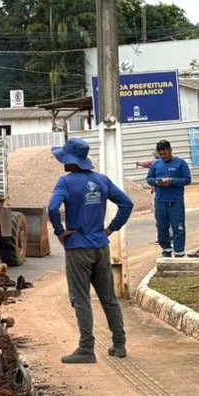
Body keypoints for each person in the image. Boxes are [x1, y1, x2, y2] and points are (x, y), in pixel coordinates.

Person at [47, 138, 134, 364]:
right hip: (100, 247)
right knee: (108, 298)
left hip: (77, 248)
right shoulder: (102, 180)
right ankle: (120, 343)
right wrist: (111, 228)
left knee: (81, 298)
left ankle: (86, 348)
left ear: (70, 161)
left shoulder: (65, 183)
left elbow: (52, 208)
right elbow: (127, 204)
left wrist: (60, 231)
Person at [146, 140, 192, 258]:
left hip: (176, 201)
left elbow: (187, 179)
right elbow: (149, 179)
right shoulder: (156, 165)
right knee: (162, 227)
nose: (163, 156)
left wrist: (173, 181)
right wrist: (157, 182)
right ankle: (166, 249)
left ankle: (179, 252)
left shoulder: (181, 163)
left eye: (165, 154)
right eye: (160, 155)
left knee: (178, 227)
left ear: (170, 150)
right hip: (161, 201)